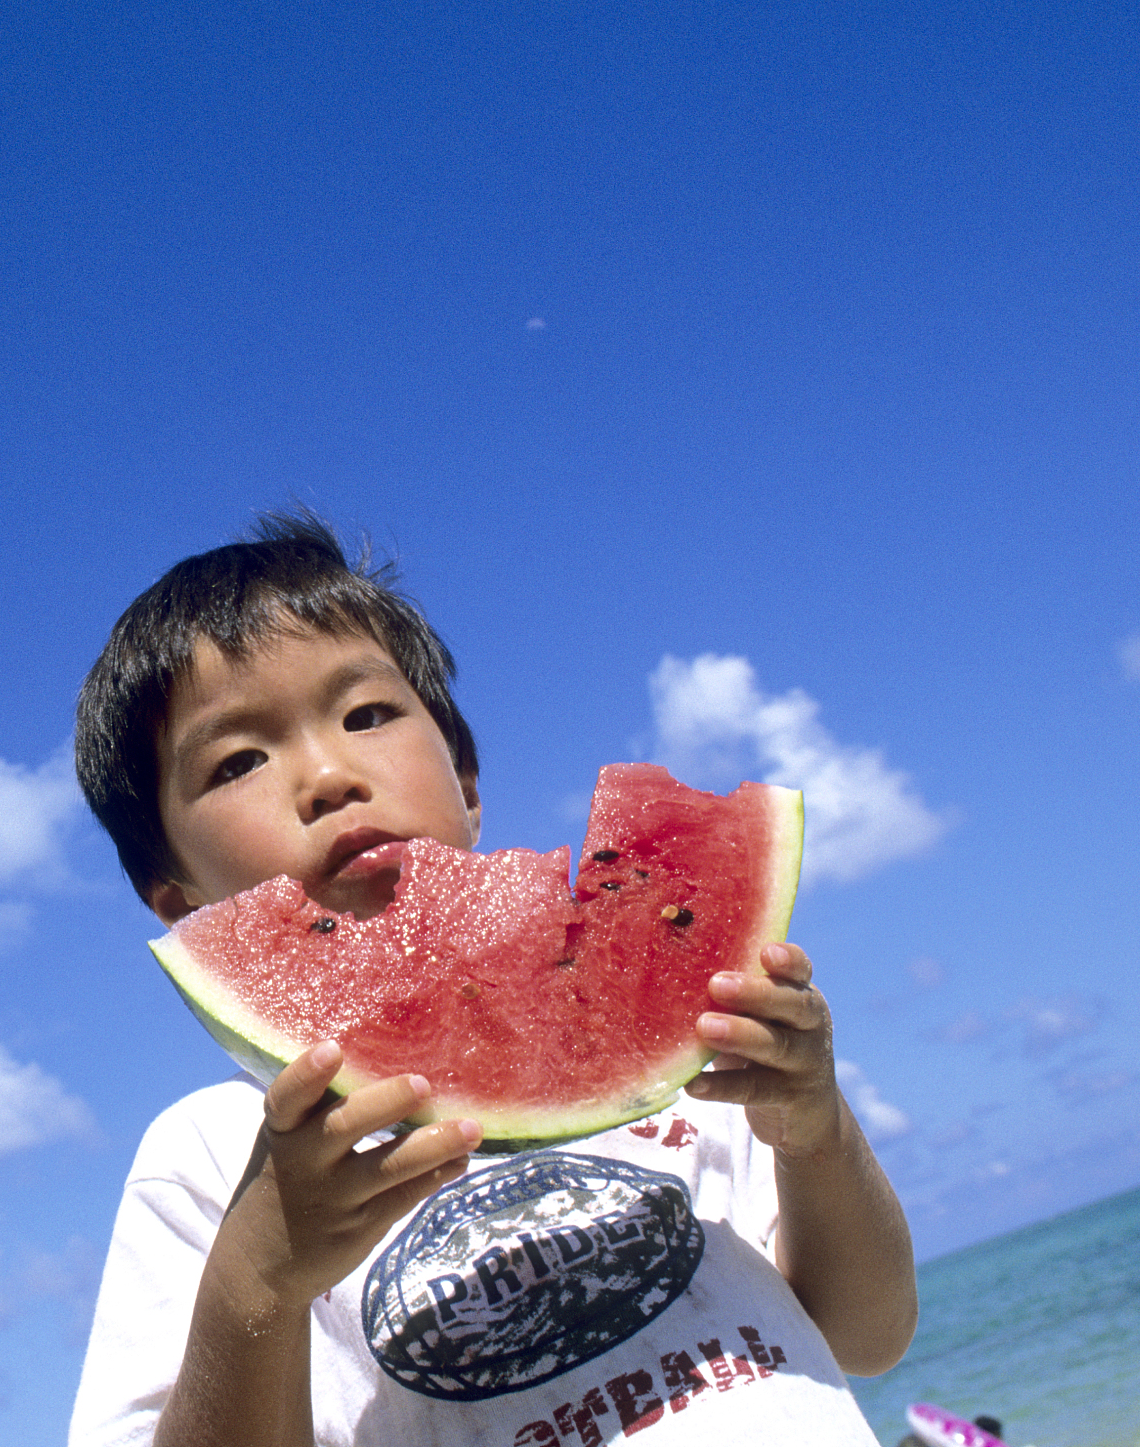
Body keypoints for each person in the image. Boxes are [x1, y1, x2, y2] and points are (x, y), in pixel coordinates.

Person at [65, 515, 917, 1446]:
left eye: (368, 714)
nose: (328, 774)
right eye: (238, 762)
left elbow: (867, 1335)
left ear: (468, 781)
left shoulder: (695, 1055)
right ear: (180, 904)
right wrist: (258, 1276)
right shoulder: (214, 1156)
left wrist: (814, 1134)